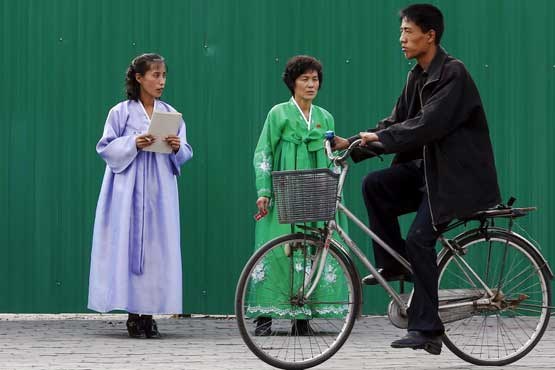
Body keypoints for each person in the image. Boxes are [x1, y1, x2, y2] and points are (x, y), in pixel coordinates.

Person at [334, 4, 500, 354]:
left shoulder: (454, 74)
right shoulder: (417, 76)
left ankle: (427, 329)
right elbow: (397, 121)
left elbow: (427, 126)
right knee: (374, 185)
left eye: (407, 32)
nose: (402, 39)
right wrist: (353, 143)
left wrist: (380, 139)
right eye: (401, 32)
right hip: (428, 173)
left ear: (430, 35)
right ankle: (395, 266)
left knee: (420, 239)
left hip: (456, 179)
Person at [88, 53, 193, 338]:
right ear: (139, 78)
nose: (161, 81)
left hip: (159, 191)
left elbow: (185, 152)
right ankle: (133, 314)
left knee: (158, 249)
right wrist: (133, 142)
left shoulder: (170, 113)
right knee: (128, 245)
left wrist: (175, 147)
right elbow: (105, 147)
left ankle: (148, 313)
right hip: (126, 191)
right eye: (155, 75)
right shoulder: (120, 112)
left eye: (163, 76)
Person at [251, 55, 349, 336]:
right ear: (292, 82)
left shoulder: (324, 117)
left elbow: (332, 155)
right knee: (277, 244)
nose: (310, 84)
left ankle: (303, 317)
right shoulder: (278, 114)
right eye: (304, 79)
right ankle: (265, 317)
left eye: (315, 79)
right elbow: (263, 152)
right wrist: (263, 190)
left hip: (315, 189)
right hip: (284, 189)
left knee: (313, 246)